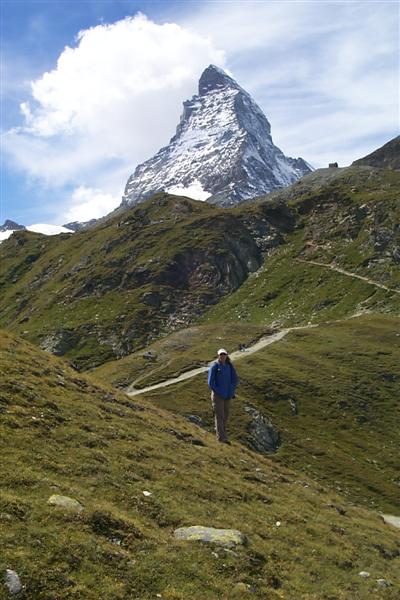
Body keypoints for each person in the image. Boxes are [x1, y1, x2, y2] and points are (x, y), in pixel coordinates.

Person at [207, 348, 238, 443]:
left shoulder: (229, 366)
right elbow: (210, 382)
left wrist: (231, 390)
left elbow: (235, 379)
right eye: (221, 354)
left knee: (226, 415)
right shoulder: (215, 366)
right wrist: (219, 391)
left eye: (224, 354)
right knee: (220, 415)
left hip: (227, 395)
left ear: (227, 355)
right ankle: (221, 437)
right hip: (218, 396)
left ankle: (223, 433)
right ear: (218, 356)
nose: (222, 356)